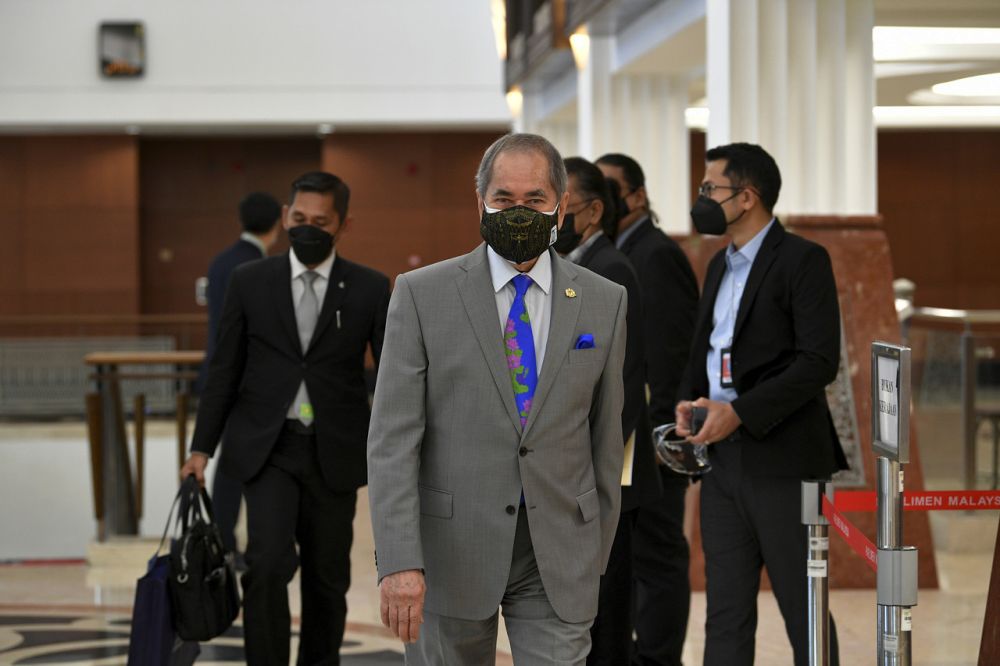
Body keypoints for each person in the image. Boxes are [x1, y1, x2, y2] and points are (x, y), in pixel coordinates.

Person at [367, 133, 627, 665]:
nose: (518, 212)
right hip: (450, 550)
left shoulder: (605, 300)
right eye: (503, 198)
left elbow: (606, 435)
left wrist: (594, 549)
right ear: (480, 202)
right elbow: (393, 440)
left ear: (561, 207)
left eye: (534, 199)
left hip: (559, 550)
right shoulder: (421, 294)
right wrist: (399, 560)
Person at [180, 171, 390, 665]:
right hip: (268, 447)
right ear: (284, 216)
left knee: (327, 577)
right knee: (267, 563)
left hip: (333, 450)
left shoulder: (369, 287)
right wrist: (200, 449)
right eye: (299, 218)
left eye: (321, 221)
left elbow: (390, 376)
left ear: (343, 225)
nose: (307, 228)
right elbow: (225, 369)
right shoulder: (250, 281)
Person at [676, 142, 847, 665]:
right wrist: (691, 401)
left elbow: (818, 362)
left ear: (747, 197)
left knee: (802, 606)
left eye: (711, 188)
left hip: (783, 460)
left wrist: (740, 412)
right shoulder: (718, 264)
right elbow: (710, 347)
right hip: (722, 461)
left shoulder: (802, 260)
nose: (702, 198)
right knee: (725, 611)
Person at [556, 157, 663, 665]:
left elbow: (624, 380)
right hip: (581, 469)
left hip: (606, 474)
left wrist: (588, 462)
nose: (553, 220)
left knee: (609, 611)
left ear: (594, 211)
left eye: (563, 208)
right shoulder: (569, 266)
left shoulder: (611, 269)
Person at [596, 153, 698, 665]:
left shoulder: (654, 255)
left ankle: (658, 658)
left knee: (657, 554)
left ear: (636, 196)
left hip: (653, 439)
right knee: (633, 557)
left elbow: (667, 351)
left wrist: (662, 432)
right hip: (630, 437)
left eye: (611, 189)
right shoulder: (620, 250)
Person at [198, 191, 282, 560]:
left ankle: (224, 540)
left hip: (219, 373)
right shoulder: (260, 267)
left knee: (230, 462)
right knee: (249, 463)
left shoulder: (220, 261)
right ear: (277, 224)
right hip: (249, 379)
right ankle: (235, 544)